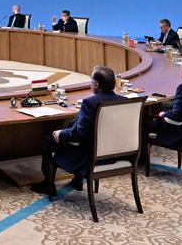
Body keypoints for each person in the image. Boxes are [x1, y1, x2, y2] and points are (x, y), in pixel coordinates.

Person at [32, 66, 122, 194]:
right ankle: (77, 180)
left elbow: (79, 134)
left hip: (89, 158)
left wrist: (61, 133)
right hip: (115, 155)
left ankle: (48, 185)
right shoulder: (124, 102)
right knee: (81, 137)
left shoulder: (90, 103)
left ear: (96, 85)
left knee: (50, 140)